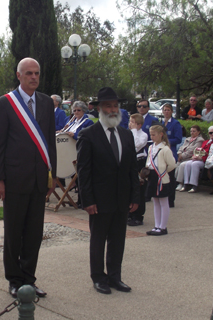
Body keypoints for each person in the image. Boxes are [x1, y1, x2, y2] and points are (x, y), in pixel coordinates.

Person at [0, 58, 56, 299]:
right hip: (15, 180)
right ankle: (15, 280)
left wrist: (52, 176)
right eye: (29, 73)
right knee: (14, 233)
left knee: (33, 234)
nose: (34, 77)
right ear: (18, 76)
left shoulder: (47, 102)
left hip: (39, 179)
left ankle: (29, 278)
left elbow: (49, 140)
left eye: (37, 73)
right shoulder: (6, 103)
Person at [76, 87, 139, 295]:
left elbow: (131, 169)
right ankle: (98, 277)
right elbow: (84, 172)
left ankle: (115, 277)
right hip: (99, 199)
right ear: (100, 109)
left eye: (115, 106)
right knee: (98, 239)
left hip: (122, 198)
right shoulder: (88, 135)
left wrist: (135, 196)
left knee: (118, 239)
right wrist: (87, 200)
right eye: (108, 106)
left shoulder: (126, 134)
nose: (112, 110)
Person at [145, 125, 176, 236]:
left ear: (161, 135)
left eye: (154, 135)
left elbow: (172, 164)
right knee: (156, 202)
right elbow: (149, 161)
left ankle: (163, 227)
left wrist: (163, 172)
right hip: (153, 176)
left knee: (163, 202)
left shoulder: (165, 149)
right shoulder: (151, 147)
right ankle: (156, 225)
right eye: (151, 134)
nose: (151, 137)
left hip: (161, 177)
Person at [181, 125, 213, 193]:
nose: (212, 134)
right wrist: (195, 156)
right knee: (188, 163)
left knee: (195, 164)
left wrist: (201, 157)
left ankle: (194, 185)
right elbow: (198, 150)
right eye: (211, 133)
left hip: (207, 161)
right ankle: (186, 184)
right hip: (200, 158)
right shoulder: (206, 142)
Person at [127, 113, 148, 226]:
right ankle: (129, 213)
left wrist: (134, 131)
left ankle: (138, 216)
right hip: (129, 163)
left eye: (132, 122)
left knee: (138, 190)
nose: (130, 124)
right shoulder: (127, 133)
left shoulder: (143, 135)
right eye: (130, 121)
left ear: (139, 124)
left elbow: (135, 145)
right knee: (129, 189)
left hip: (138, 162)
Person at [161, 103, 182, 207]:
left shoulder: (175, 123)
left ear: (171, 111)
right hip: (161, 152)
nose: (166, 112)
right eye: (165, 110)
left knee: (170, 177)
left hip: (170, 151)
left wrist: (167, 141)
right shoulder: (161, 122)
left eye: (168, 110)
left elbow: (178, 139)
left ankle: (171, 200)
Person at [175, 125, 204, 191]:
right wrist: (179, 154)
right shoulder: (187, 139)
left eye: (194, 131)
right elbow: (181, 147)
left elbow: (192, 150)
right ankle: (175, 182)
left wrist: (182, 156)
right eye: (191, 131)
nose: (192, 133)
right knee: (176, 165)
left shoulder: (200, 140)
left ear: (198, 132)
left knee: (182, 165)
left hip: (190, 158)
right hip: (182, 156)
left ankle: (181, 183)